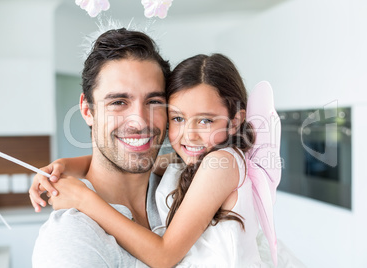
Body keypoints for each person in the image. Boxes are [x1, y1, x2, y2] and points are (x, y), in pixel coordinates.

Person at [31, 53, 283, 267]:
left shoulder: (221, 163)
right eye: (177, 118)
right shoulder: (198, 161)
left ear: (235, 121)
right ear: (88, 110)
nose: (190, 134)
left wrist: (84, 199)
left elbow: (164, 256)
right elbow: (142, 162)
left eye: (206, 120)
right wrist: (63, 166)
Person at [31, 28, 172, 267]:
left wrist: (68, 165)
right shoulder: (71, 237)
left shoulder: (182, 189)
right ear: (87, 110)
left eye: (154, 101)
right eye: (118, 102)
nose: (139, 121)